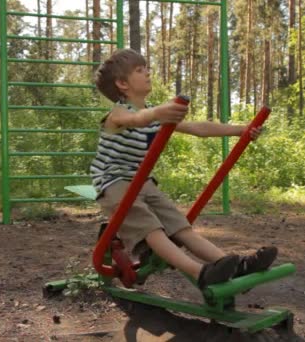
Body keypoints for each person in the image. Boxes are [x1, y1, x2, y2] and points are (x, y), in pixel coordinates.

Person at [90, 48, 277, 290]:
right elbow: (136, 120)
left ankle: (233, 265)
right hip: (113, 184)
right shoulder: (119, 112)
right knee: (152, 228)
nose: (148, 72)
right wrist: (158, 113)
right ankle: (200, 273)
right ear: (122, 84)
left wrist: (241, 129)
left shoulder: (154, 113)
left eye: (146, 67)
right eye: (140, 70)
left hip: (143, 182)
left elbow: (199, 128)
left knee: (181, 226)